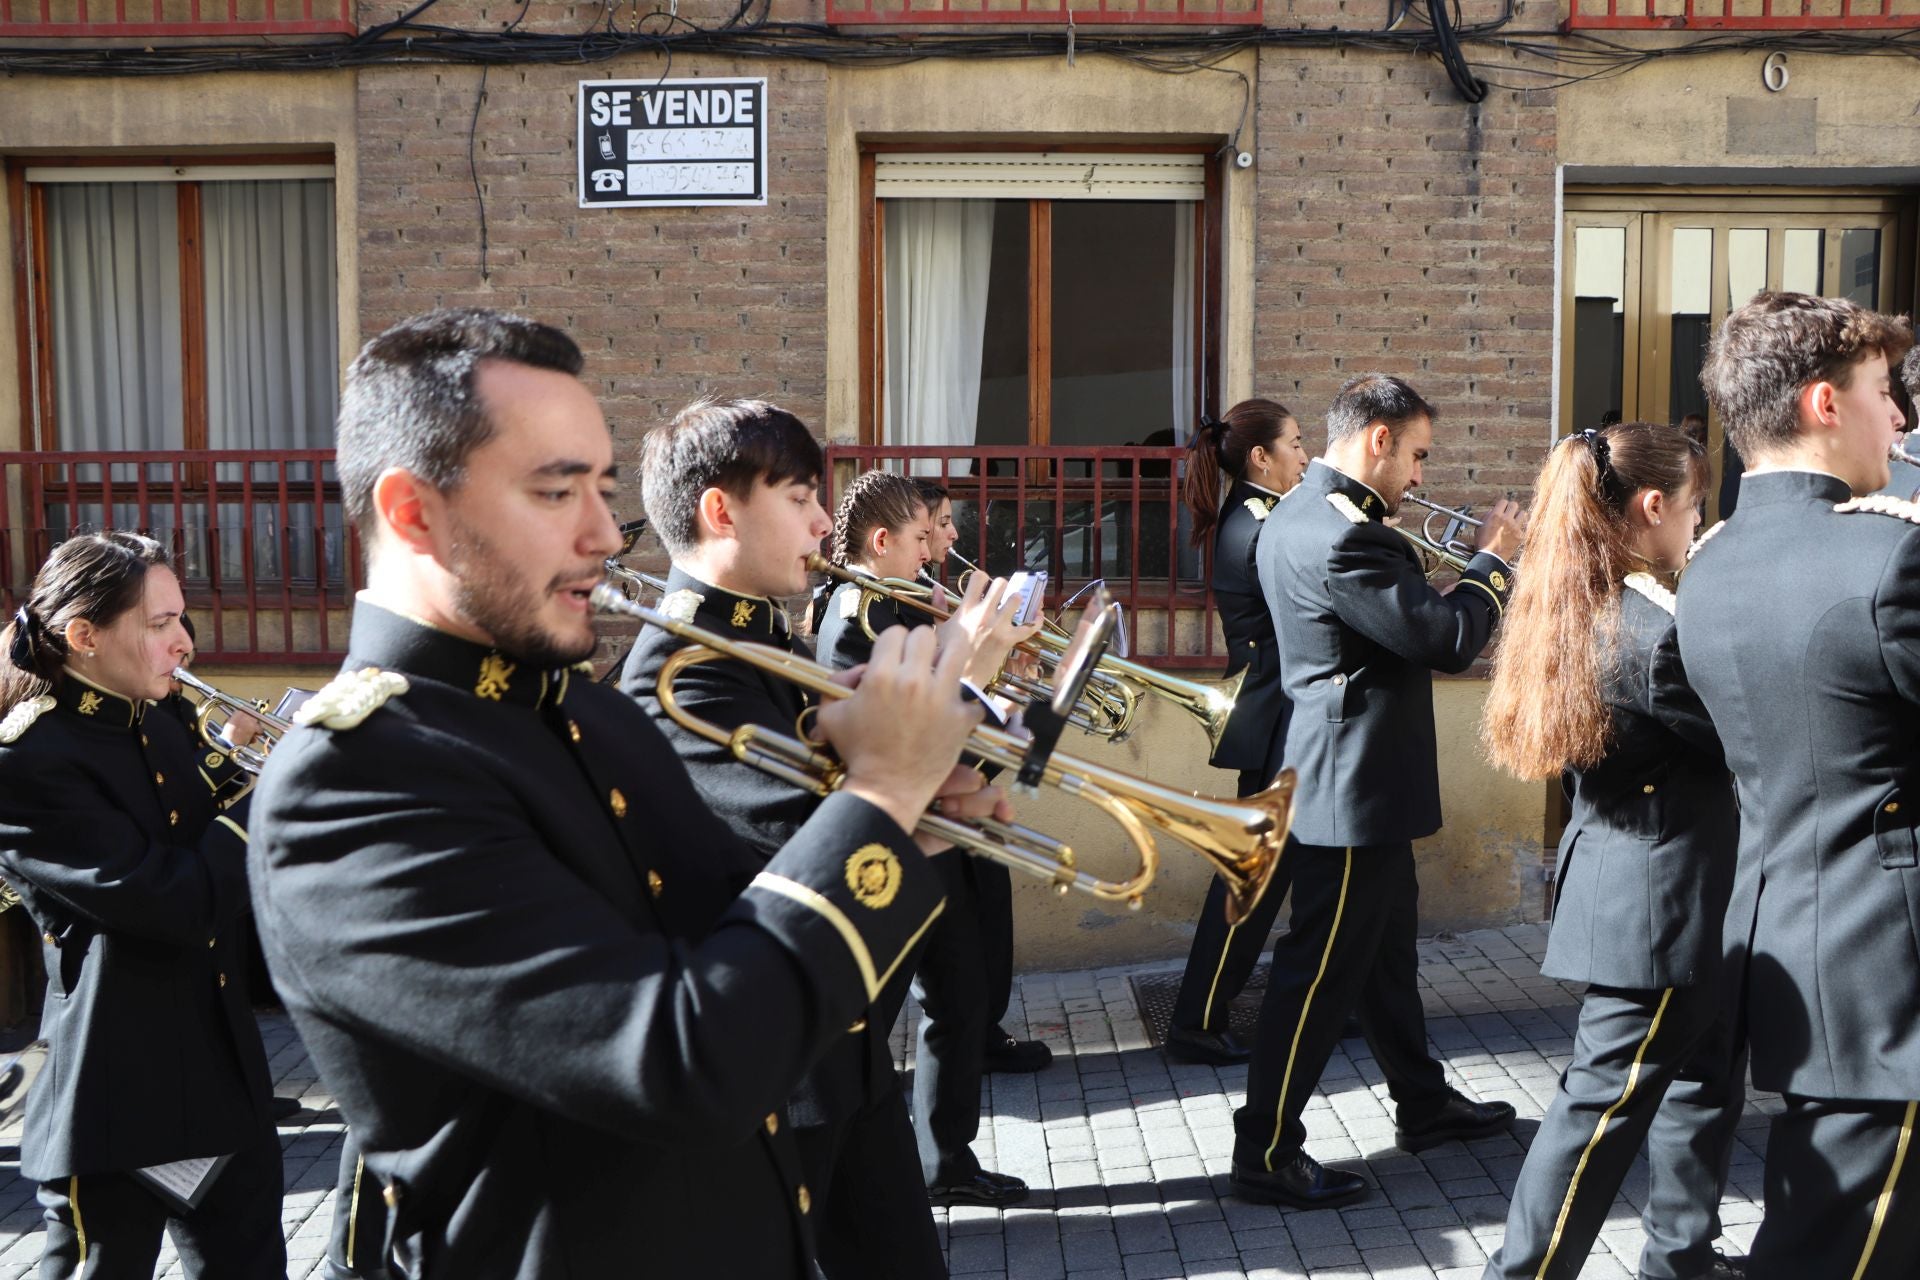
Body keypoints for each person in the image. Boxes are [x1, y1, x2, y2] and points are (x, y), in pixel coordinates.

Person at [248, 309, 1000, 1277]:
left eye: (602, 489)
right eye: (558, 492)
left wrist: (919, 826)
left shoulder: (588, 717)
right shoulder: (350, 784)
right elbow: (684, 1057)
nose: (607, 532)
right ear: (412, 511)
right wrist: (882, 796)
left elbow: (741, 928)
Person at [622, 401, 1035, 1278]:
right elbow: (808, 845)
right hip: (776, 1095)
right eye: (802, 496)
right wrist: (962, 674)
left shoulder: (764, 647)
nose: (822, 522)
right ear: (720, 512)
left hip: (846, 1066)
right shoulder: (682, 678)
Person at [1230, 373, 1523, 1209]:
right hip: (1349, 788)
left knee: (1388, 958)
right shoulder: (1345, 536)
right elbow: (1447, 639)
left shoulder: (1299, 510)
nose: (1423, 478)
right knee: (1317, 975)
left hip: (1349, 776)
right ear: (1378, 440)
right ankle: (1266, 1149)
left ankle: (1423, 1103)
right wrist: (1491, 563)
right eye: (1419, 455)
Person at [1678, 292, 1919, 1280]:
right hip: (1888, 979)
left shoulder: (1711, 563)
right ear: (1825, 402)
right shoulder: (1891, 556)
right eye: (1883, 391)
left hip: (1790, 947)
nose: (1900, 416)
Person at [1479, 422, 1745, 1280]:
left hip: (1646, 882)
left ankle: (1680, 1258)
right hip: (1662, 901)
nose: (1698, 528)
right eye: (1696, 509)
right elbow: (1736, 745)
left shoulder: (1580, 600)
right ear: (1653, 505)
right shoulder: (1649, 631)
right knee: (1597, 1112)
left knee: (1699, 1081)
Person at [0, 532, 286, 1279]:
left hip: (226, 1083)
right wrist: (268, 803)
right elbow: (172, 899)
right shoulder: (27, 761)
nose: (183, 643)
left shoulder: (162, 719)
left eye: (181, 619)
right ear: (84, 637)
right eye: (159, 624)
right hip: (118, 1103)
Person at [811, 470, 1039, 1206]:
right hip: (901, 830)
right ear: (883, 542)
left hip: (939, 818)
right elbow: (914, 721)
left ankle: (945, 1158)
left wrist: (1001, 679)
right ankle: (886, 1167)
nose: (933, 552)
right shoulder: (861, 615)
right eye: (919, 538)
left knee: (962, 995)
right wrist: (980, 655)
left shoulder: (894, 604)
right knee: (908, 1009)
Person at [1163, 399, 1309, 1064]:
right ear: (1261, 458)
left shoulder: (1263, 517)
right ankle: (1195, 1020)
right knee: (1250, 881)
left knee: (1339, 880)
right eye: (1297, 444)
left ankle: (1353, 1001)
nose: (1305, 457)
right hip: (1279, 719)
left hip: (1285, 717)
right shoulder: (1258, 525)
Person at [913, 476, 1050, 1077]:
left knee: (979, 962)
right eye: (932, 527)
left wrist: (1009, 677)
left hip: (965, 792)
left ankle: (984, 1040)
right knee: (951, 995)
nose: (947, 536)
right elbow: (932, 724)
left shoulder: (926, 596)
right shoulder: (882, 611)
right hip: (934, 809)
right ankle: (945, 1165)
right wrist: (988, 662)